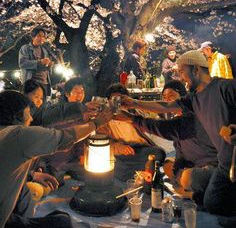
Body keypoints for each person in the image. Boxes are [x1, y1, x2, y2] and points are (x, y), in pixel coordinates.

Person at [120, 50, 236, 216]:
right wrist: (133, 103)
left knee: (209, 195)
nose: (181, 77)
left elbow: (165, 128)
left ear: (196, 69)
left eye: (182, 71)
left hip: (228, 161)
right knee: (212, 202)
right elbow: (166, 106)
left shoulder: (225, 87)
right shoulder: (194, 98)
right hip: (225, 163)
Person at [0, 90, 113, 227]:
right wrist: (96, 123)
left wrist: (32, 175)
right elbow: (65, 139)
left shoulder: (5, 134)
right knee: (62, 222)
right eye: (28, 112)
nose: (31, 118)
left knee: (25, 193)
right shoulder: (16, 135)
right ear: (16, 116)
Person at [117, 80, 218, 201]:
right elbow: (181, 154)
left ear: (181, 96)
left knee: (189, 177)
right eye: (164, 97)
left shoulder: (192, 115)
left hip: (212, 166)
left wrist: (133, 118)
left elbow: (163, 128)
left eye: (171, 95)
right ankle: (185, 184)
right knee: (168, 165)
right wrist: (177, 170)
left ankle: (190, 193)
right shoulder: (179, 117)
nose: (167, 100)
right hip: (193, 164)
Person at [96, 83, 166, 181]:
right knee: (111, 164)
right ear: (108, 101)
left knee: (158, 153)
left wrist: (131, 114)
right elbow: (102, 140)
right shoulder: (104, 118)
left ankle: (133, 172)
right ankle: (136, 172)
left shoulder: (134, 113)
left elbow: (150, 122)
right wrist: (119, 147)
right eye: (114, 100)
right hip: (120, 153)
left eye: (120, 99)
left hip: (140, 150)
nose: (117, 103)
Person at [18, 27, 57, 97]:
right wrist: (39, 62)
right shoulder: (26, 48)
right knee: (31, 104)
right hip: (32, 82)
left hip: (44, 82)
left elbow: (46, 68)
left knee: (43, 105)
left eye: (43, 37)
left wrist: (50, 65)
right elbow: (22, 63)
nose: (41, 38)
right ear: (33, 37)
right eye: (39, 36)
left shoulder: (45, 50)